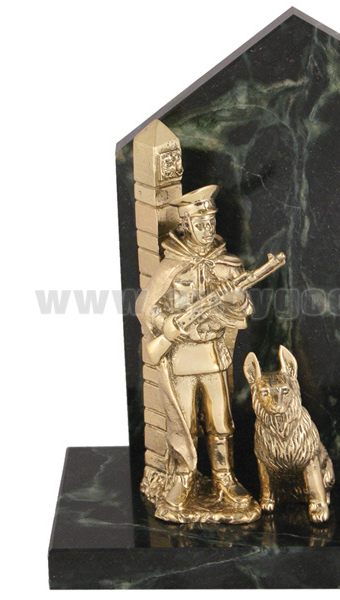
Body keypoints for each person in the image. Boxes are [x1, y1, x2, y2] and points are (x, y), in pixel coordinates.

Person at [136, 185, 254, 511]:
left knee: (221, 422)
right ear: (186, 225)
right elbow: (146, 307)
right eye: (200, 224)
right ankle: (182, 477)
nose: (207, 229)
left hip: (213, 354)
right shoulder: (171, 265)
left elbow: (243, 308)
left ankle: (224, 477)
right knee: (184, 423)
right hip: (181, 355)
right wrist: (168, 324)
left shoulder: (227, 264)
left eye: (211, 222)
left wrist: (234, 298)